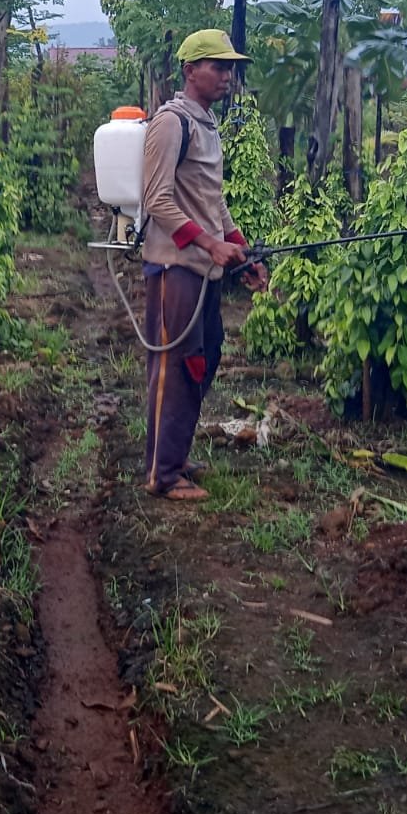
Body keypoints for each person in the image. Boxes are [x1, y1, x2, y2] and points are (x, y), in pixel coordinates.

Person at [140, 29, 267, 501]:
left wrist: (240, 253)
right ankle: (163, 475)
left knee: (203, 359)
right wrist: (211, 246)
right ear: (191, 70)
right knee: (175, 367)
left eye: (231, 67)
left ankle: (173, 455)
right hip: (176, 267)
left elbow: (212, 202)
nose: (228, 76)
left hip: (204, 268)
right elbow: (158, 201)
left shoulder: (206, 123)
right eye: (218, 66)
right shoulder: (172, 123)